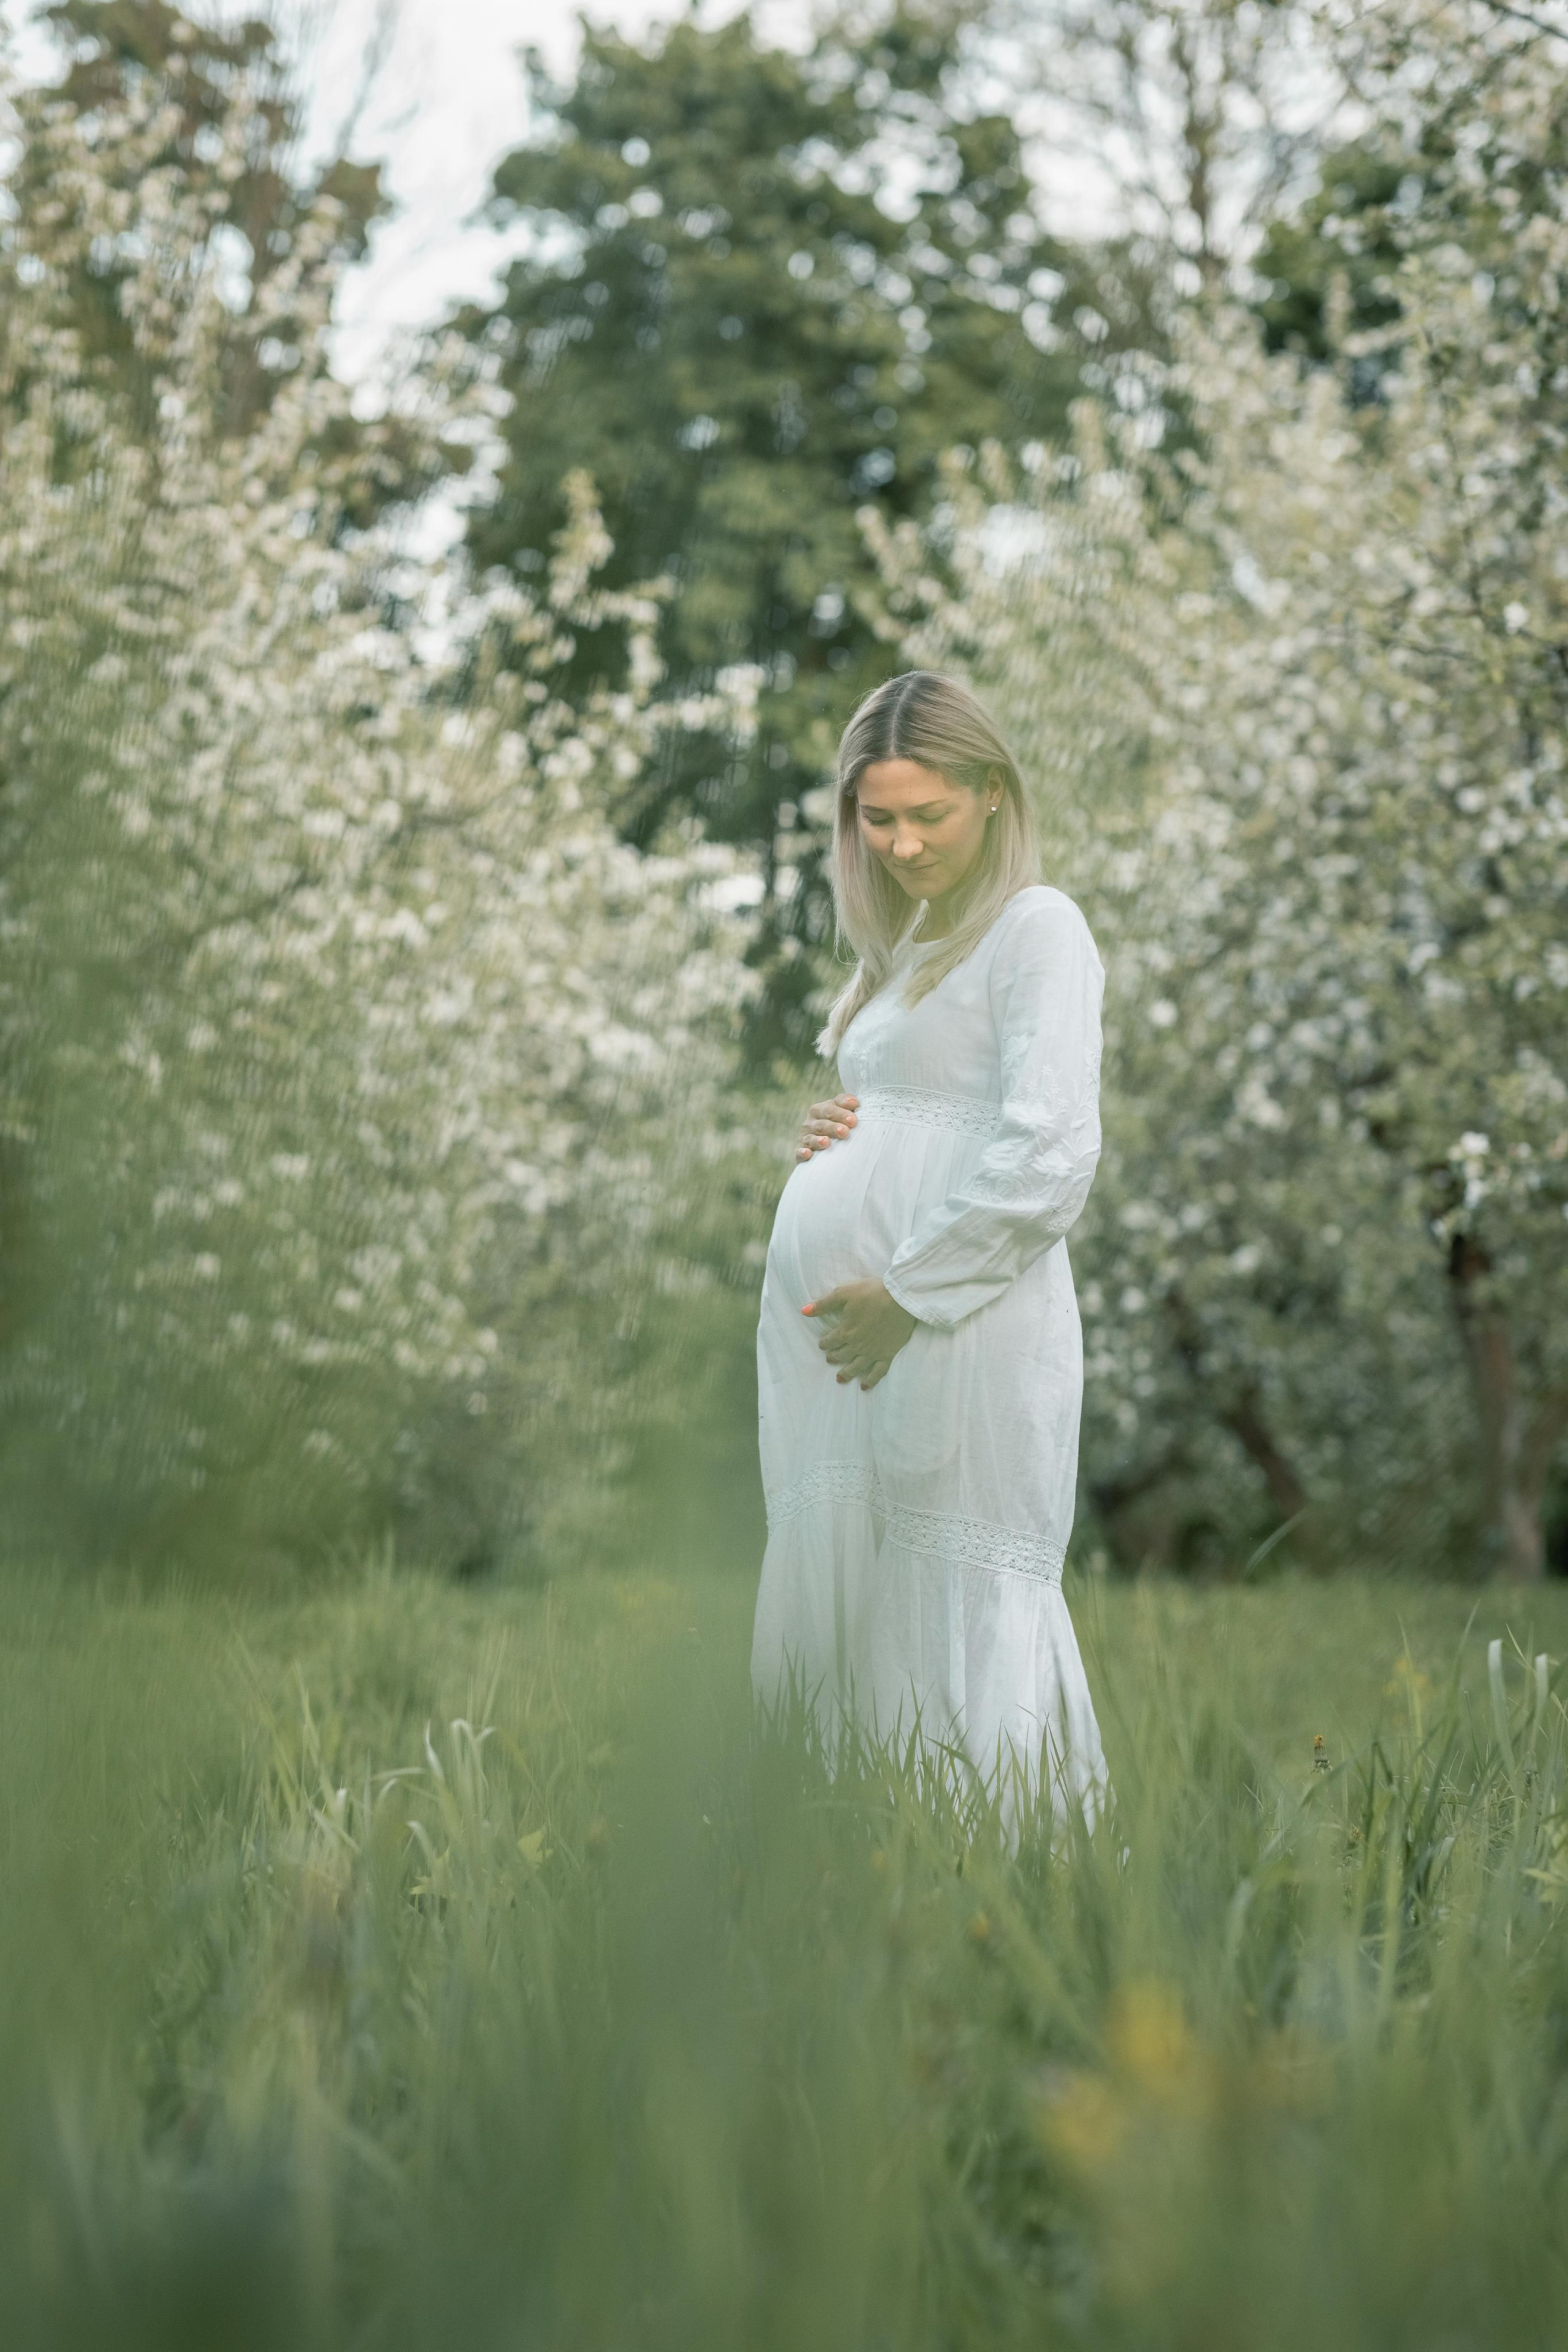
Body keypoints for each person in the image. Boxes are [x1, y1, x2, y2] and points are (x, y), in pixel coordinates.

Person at [750, 668, 1108, 1831]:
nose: (902, 844)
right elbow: (908, 1113)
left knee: (956, 1580)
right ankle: (857, 1869)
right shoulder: (904, 951)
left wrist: (907, 1292)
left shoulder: (1037, 928)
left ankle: (996, 1873)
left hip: (957, 1321)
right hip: (857, 1340)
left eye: (929, 815)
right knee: (863, 1589)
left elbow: (1051, 1151)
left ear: (993, 795)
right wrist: (833, 1142)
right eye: (877, 818)